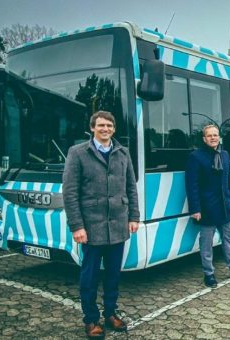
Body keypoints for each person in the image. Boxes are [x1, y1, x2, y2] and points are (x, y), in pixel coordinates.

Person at [63, 111, 140, 338]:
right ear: (92, 128)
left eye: (109, 125)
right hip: (91, 228)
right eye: (100, 126)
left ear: (114, 129)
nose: (105, 129)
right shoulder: (77, 153)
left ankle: (110, 314)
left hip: (118, 226)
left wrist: (134, 217)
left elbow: (131, 188)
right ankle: (91, 319)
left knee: (113, 275)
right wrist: (77, 226)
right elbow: (70, 193)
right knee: (89, 277)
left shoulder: (123, 153)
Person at [185, 125, 230, 288]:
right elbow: (191, 184)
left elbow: (229, 179)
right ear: (204, 139)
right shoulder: (196, 156)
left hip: (225, 206)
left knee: (229, 240)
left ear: (219, 137)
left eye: (215, 135)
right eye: (209, 136)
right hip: (206, 208)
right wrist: (195, 209)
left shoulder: (225, 154)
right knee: (206, 244)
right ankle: (209, 274)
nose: (213, 138)